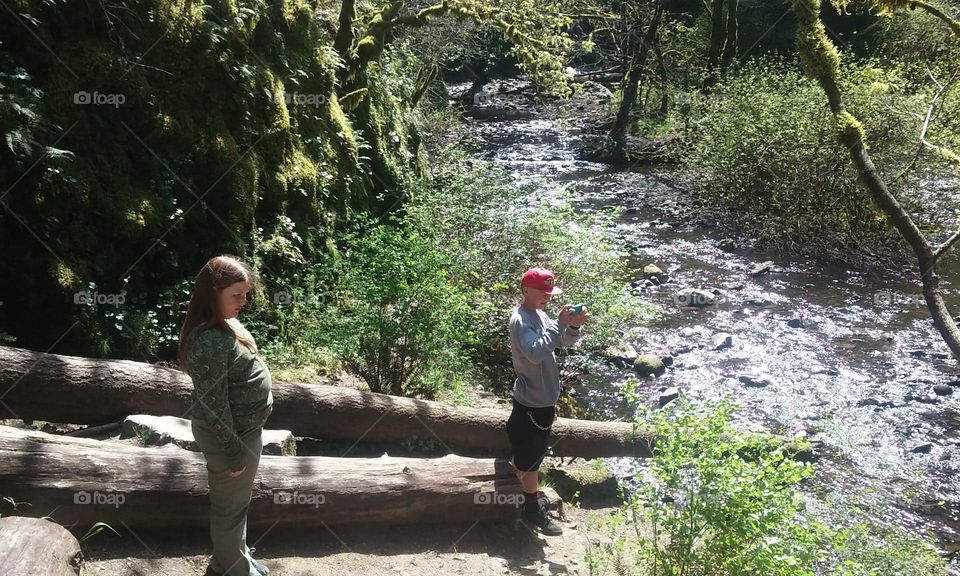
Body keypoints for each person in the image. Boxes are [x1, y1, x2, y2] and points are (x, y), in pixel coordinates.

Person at [178, 255, 273, 576]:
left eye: (246, 294)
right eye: (236, 294)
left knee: (237, 505)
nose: (243, 301)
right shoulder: (207, 342)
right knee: (228, 509)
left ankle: (237, 556)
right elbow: (213, 405)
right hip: (229, 438)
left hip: (245, 432)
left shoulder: (225, 324)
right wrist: (234, 454)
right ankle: (229, 568)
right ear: (213, 291)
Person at [507, 267, 587, 535]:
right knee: (532, 460)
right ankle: (531, 508)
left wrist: (572, 326)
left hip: (541, 401)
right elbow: (535, 352)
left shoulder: (539, 314)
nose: (548, 297)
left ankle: (521, 480)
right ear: (526, 290)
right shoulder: (520, 320)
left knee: (532, 454)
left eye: (551, 292)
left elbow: (564, 342)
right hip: (531, 402)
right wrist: (559, 324)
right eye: (543, 292)